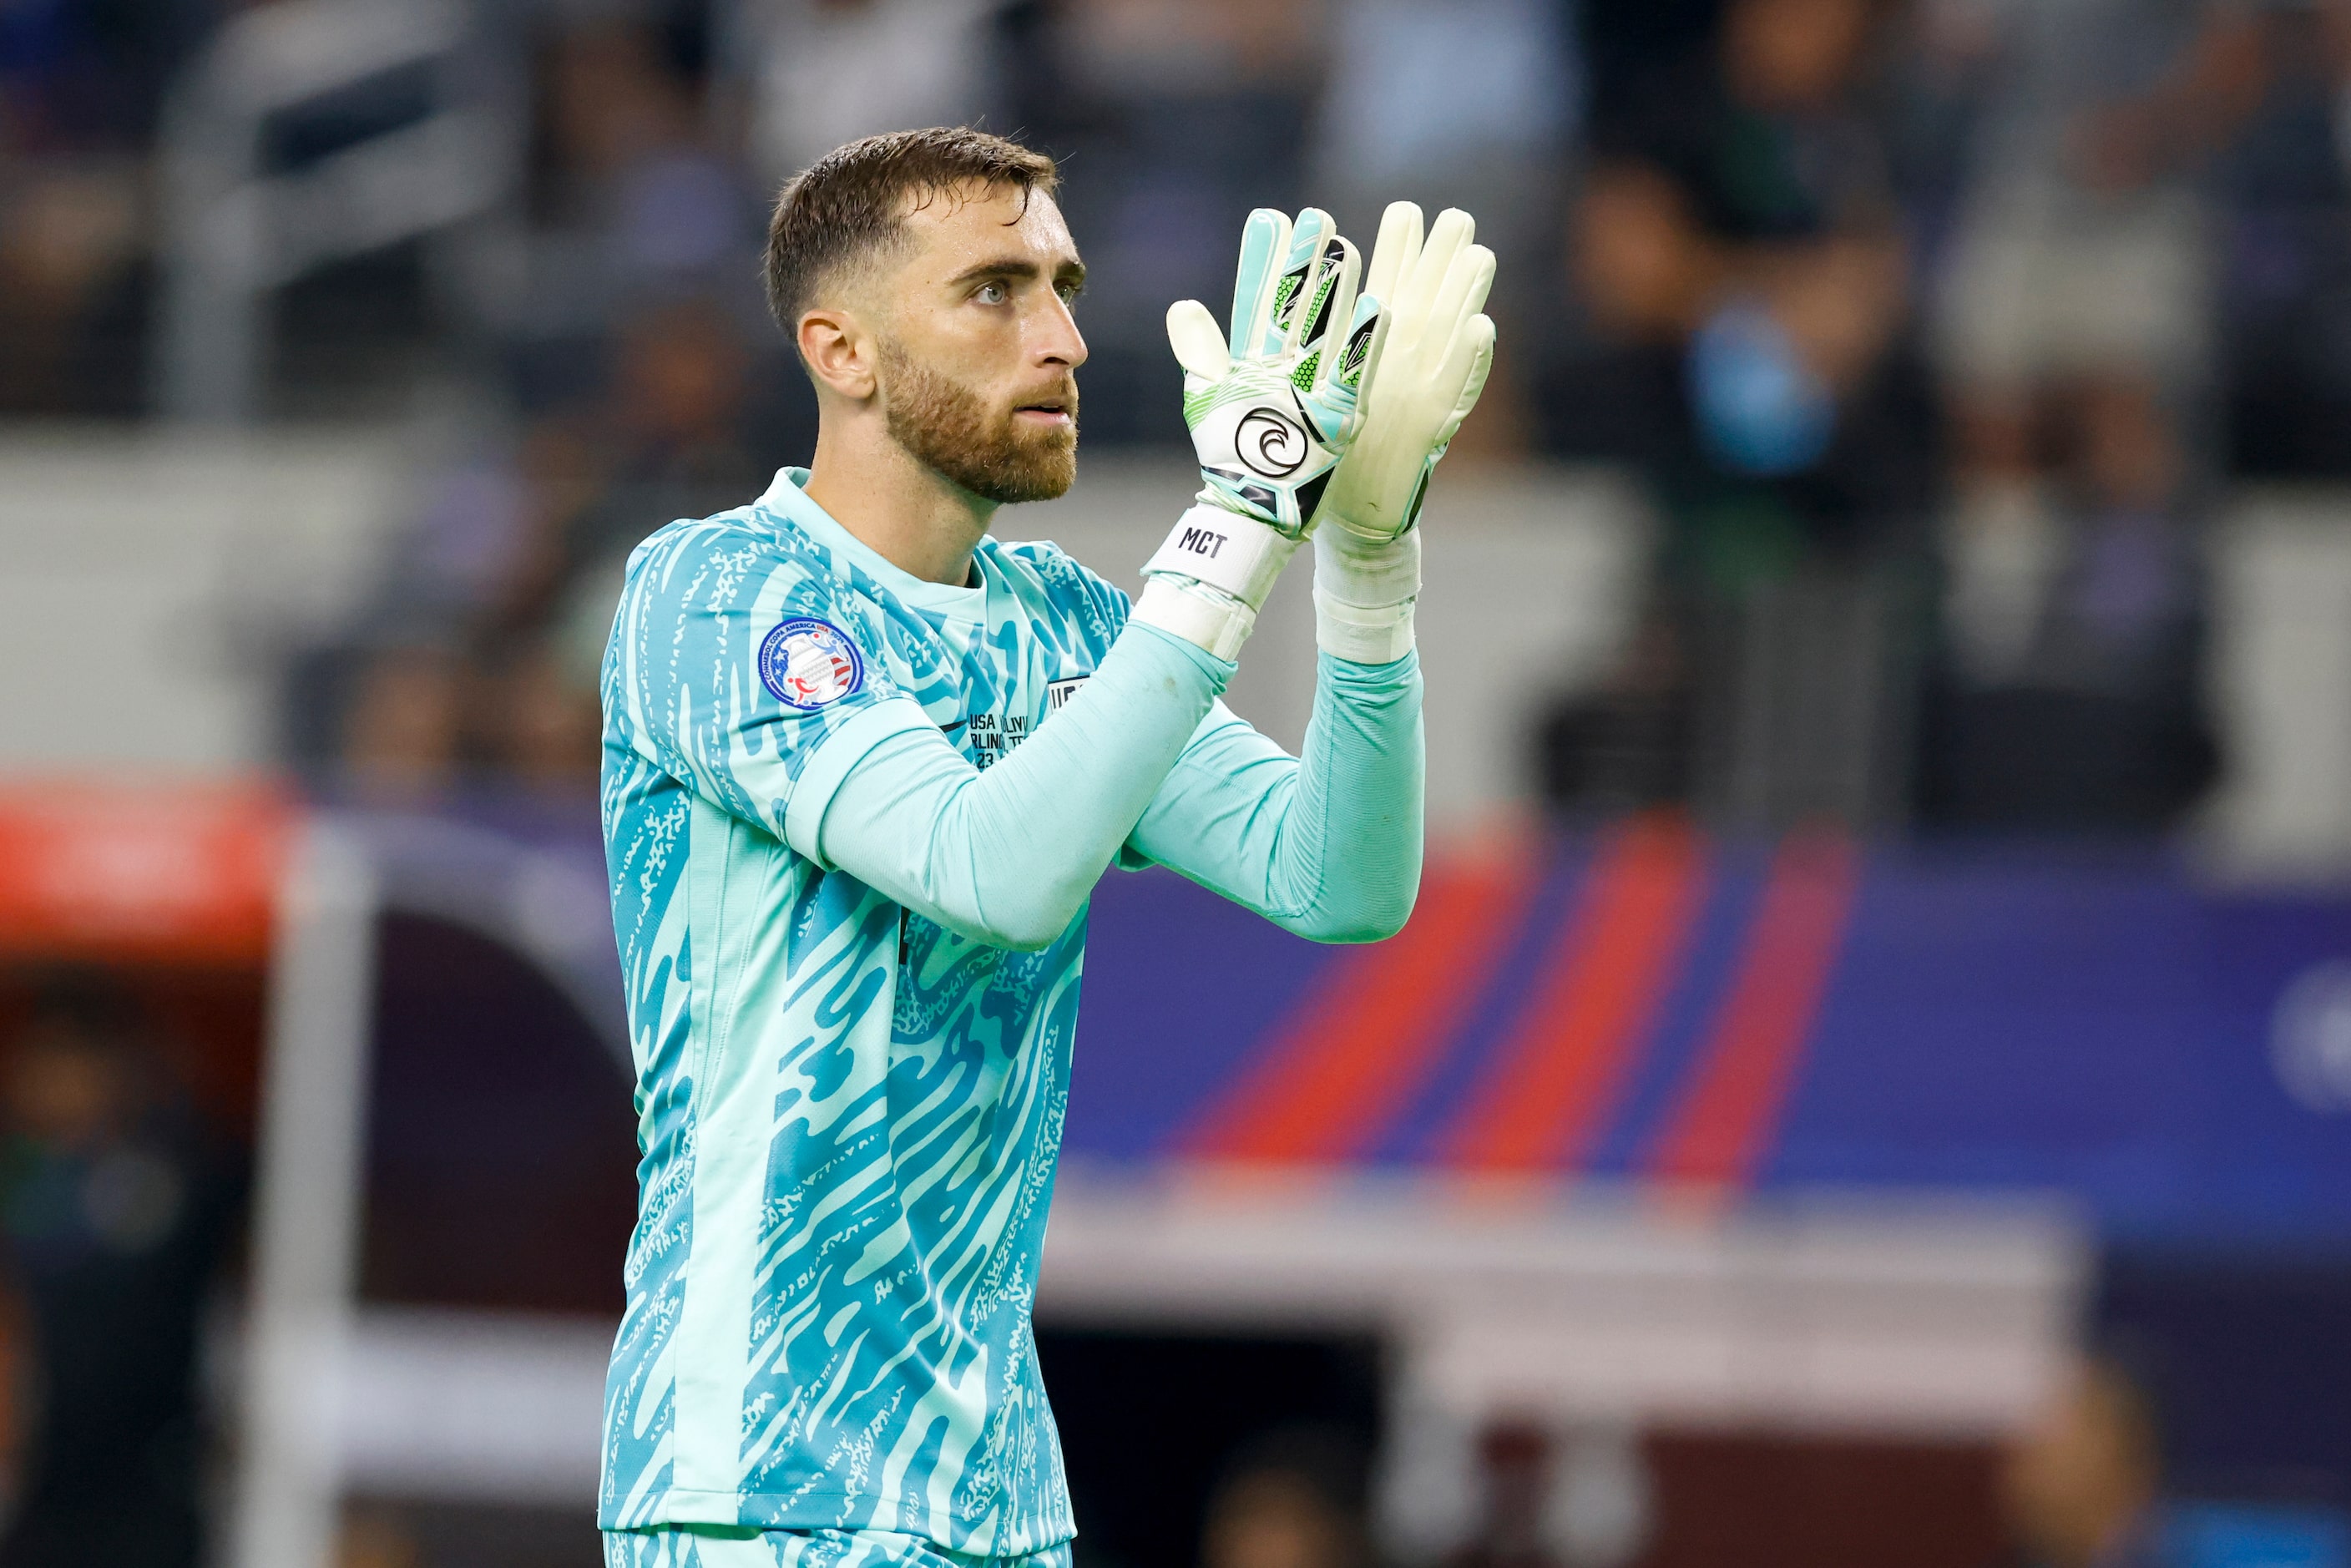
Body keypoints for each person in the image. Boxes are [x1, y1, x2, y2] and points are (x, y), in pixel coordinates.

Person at [594, 126, 1494, 1568]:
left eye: (1064, 286)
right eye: (996, 291)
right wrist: (1245, 508)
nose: (1064, 336)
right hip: (759, 1482)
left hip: (999, 1500)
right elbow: (993, 872)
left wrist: (1365, 562)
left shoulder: (1066, 626)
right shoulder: (717, 595)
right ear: (844, 350)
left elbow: (1344, 880)